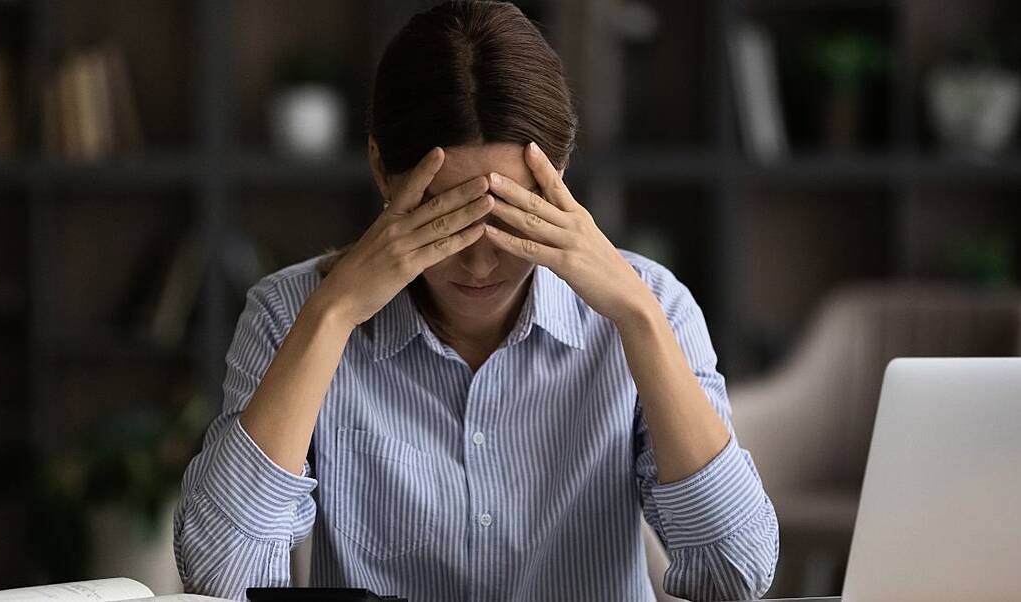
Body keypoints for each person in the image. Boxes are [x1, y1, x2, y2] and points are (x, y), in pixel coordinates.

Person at [173, 1, 778, 600]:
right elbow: (224, 576)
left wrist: (638, 319)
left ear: (558, 176)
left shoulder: (654, 306)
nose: (481, 261)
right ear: (384, 171)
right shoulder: (291, 313)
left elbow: (736, 572)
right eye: (446, 219)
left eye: (510, 217)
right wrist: (334, 315)